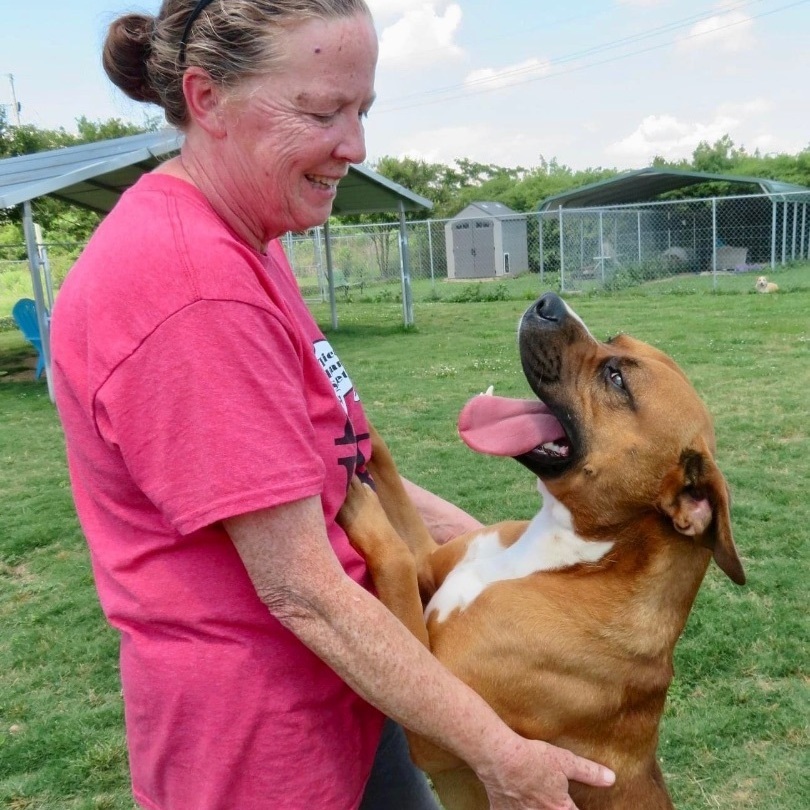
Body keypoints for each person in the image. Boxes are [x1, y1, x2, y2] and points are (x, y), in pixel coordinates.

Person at [51, 1, 615, 809]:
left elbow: (331, 469)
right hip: (265, 750)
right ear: (205, 98)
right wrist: (499, 750)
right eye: (321, 111)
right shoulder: (193, 290)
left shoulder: (245, 239)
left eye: (362, 109)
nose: (354, 146)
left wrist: (516, 556)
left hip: (356, 681)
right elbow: (302, 591)